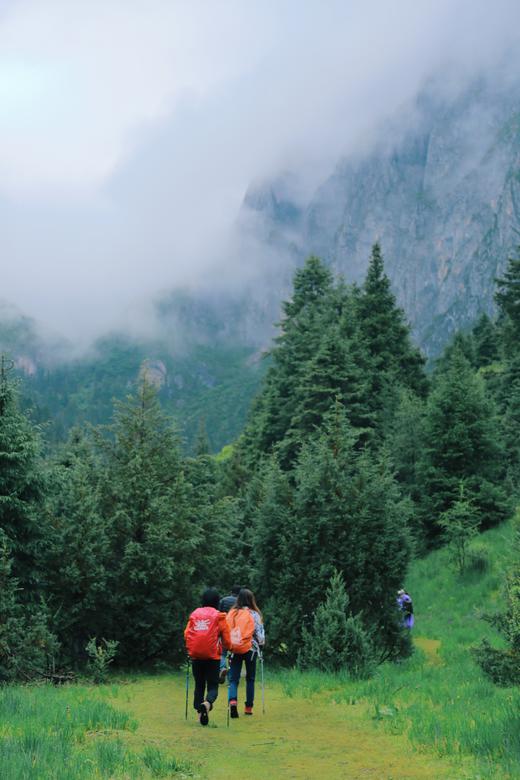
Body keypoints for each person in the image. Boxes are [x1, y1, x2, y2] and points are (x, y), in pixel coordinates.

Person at [184, 587, 231, 726]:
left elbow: (187, 634)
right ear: (217, 601)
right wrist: (228, 648)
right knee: (212, 686)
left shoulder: (195, 614)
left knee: (199, 685)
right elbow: (227, 638)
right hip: (212, 658)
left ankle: (199, 715)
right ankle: (207, 703)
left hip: (196, 656)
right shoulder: (219, 616)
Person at [227, 588, 265, 718]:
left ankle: (232, 701)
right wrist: (261, 645)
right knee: (250, 679)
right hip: (251, 649)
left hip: (235, 648)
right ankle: (248, 707)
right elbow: (260, 636)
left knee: (233, 679)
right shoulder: (255, 614)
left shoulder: (233, 613)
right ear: (251, 600)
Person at [218, 585, 242, 684]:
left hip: (224, 629)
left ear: (231, 591)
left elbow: (218, 614)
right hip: (236, 630)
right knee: (234, 654)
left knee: (223, 653)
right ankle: (231, 676)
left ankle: (223, 667)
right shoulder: (240, 603)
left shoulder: (223, 600)